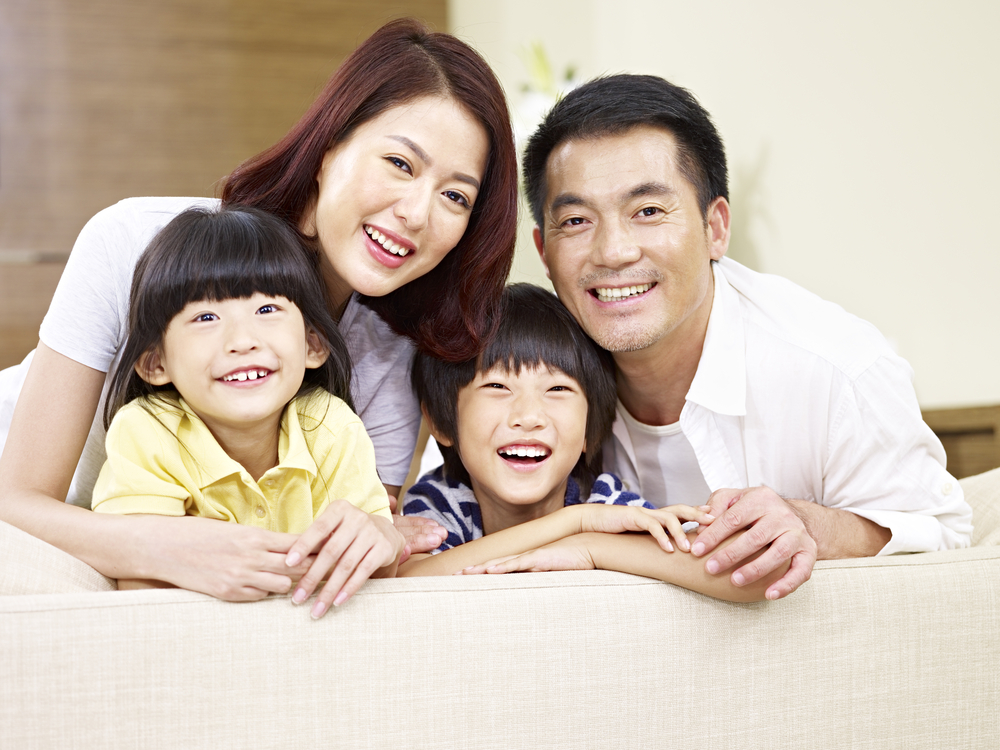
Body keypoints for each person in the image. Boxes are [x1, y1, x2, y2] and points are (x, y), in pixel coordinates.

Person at [0, 19, 516, 610]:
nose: (418, 213)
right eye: (400, 164)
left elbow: (357, 528)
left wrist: (375, 534)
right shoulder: (133, 241)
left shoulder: (392, 343)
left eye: (456, 196)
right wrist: (167, 545)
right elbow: (16, 503)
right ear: (329, 150)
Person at [521, 74, 973, 601]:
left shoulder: (837, 368)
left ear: (715, 228)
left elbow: (948, 540)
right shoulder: (519, 370)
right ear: (544, 252)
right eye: (576, 220)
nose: (613, 252)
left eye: (647, 211)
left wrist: (809, 525)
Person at [91, 206, 398, 613]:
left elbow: (372, 574)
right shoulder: (146, 432)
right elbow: (141, 584)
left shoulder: (331, 425)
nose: (242, 340)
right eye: (205, 316)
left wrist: (381, 536)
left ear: (313, 344)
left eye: (267, 310)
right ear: (156, 363)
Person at [398, 284, 784, 602]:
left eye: (558, 388)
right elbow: (406, 580)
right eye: (497, 386)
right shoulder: (441, 500)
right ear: (441, 421)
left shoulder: (602, 500)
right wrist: (574, 522)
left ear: (588, 431)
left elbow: (745, 577)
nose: (529, 416)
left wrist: (590, 547)